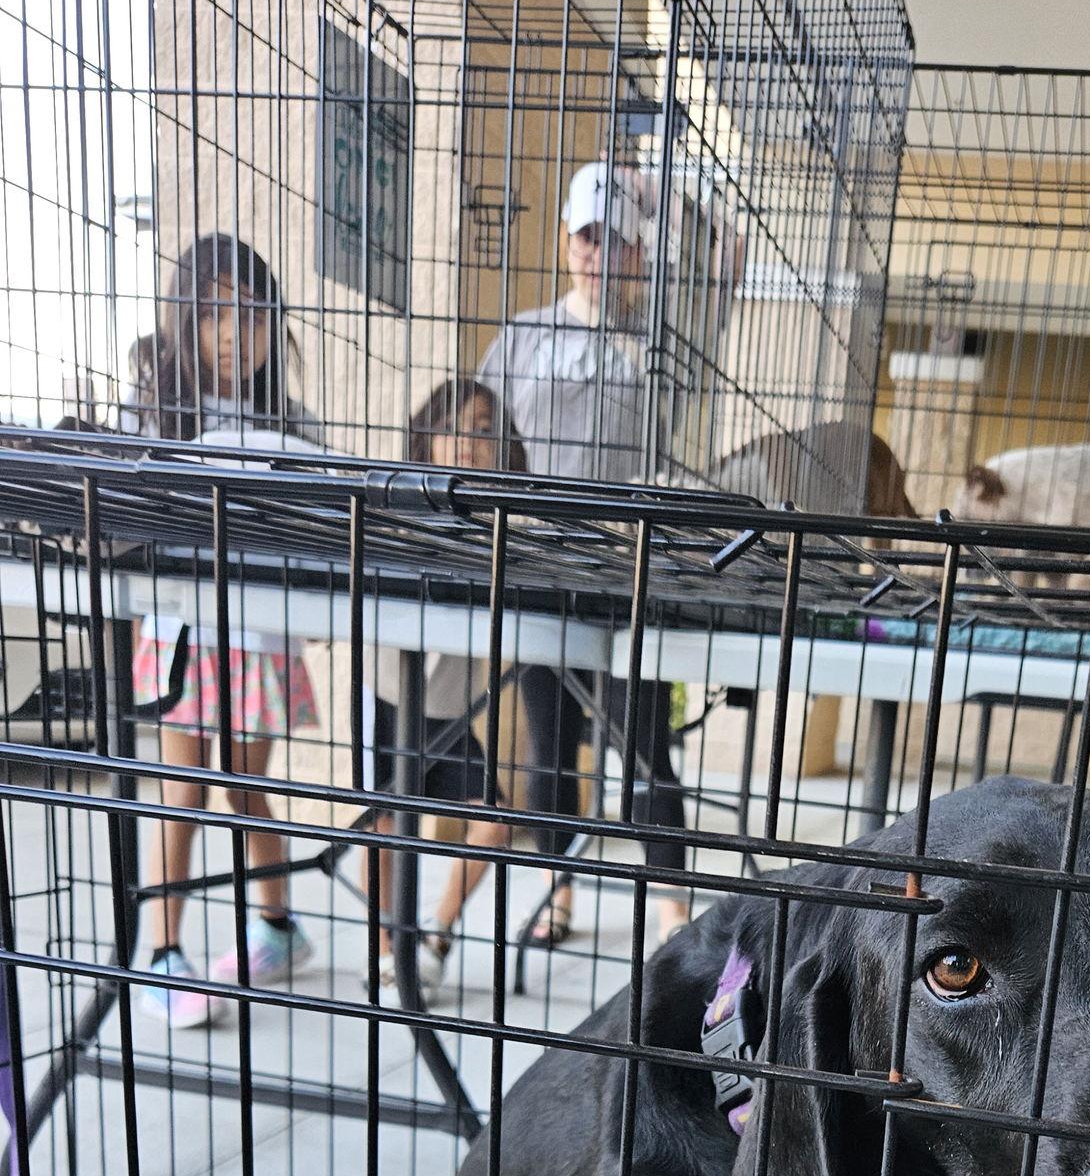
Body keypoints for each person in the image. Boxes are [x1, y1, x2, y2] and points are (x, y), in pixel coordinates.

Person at [478, 161, 692, 944]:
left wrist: (663, 196)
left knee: (644, 743)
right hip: (538, 563)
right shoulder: (524, 335)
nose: (600, 253)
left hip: (629, 565)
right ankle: (556, 890)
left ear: (638, 254)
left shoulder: (657, 346)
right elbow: (485, 433)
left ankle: (671, 903)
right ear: (567, 242)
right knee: (549, 740)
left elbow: (719, 266)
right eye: (587, 237)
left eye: (617, 241)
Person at [122, 234, 320, 1028]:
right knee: (183, 790)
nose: (235, 333)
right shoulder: (161, 410)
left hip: (261, 631)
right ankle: (163, 950)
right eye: (213, 315)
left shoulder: (291, 418)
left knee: (245, 790)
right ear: (183, 322)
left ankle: (275, 927)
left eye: (251, 314)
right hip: (182, 628)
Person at [361, 378, 530, 1000]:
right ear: (426, 438)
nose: (467, 441)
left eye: (484, 429)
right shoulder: (395, 504)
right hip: (386, 698)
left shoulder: (498, 523)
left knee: (494, 822)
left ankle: (434, 938)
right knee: (383, 824)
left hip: (452, 712)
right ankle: (384, 949)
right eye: (454, 426)